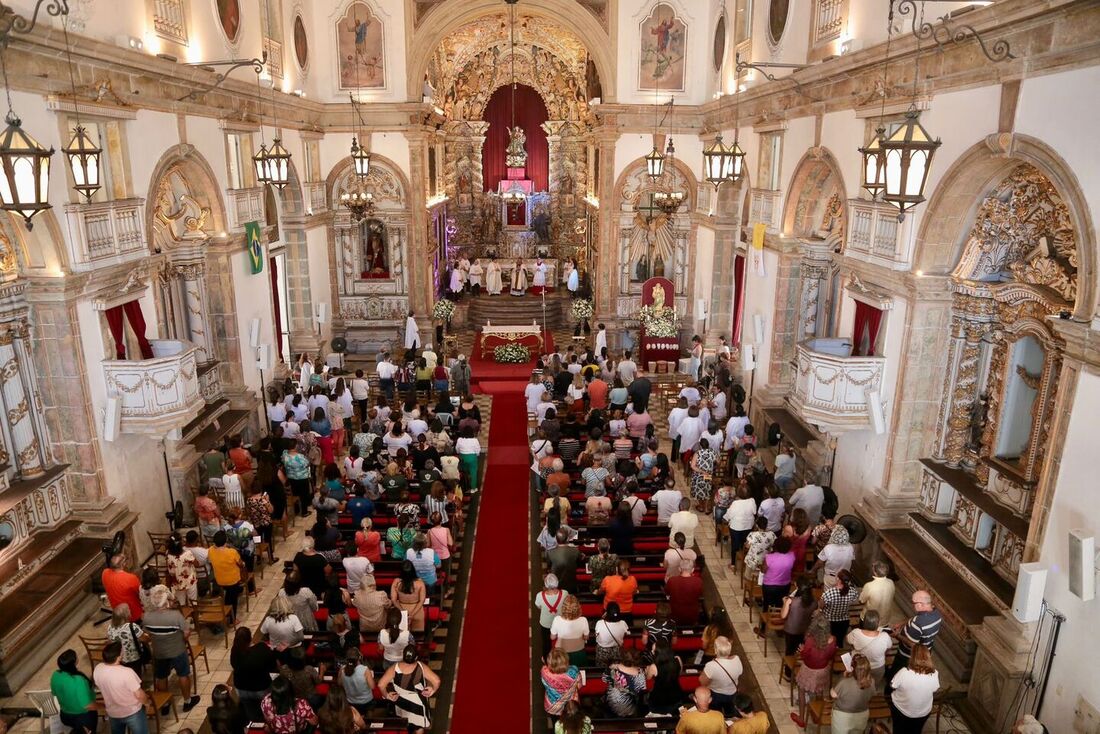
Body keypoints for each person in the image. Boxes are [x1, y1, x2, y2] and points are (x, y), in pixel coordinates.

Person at [144, 585, 200, 711]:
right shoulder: (175, 616)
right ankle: (187, 701)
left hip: (159, 652)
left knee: (162, 676)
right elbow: (186, 633)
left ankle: (165, 703)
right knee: (183, 675)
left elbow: (147, 633)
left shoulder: (147, 617)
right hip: (177, 650)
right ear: (166, 603)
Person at [379, 645, 440, 733]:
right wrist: (432, 690)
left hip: (401, 701)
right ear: (416, 657)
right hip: (418, 702)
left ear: (403, 655)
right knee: (419, 726)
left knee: (405, 724)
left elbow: (381, 684)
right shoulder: (421, 666)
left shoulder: (395, 668)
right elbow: (437, 681)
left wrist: (387, 695)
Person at [792, 612, 837, 728]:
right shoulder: (833, 640)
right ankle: (818, 715)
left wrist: (801, 650)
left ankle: (801, 718)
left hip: (809, 670)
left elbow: (805, 657)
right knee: (820, 690)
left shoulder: (810, 641)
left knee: (801, 690)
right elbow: (831, 655)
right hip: (823, 669)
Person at [887, 589, 943, 683]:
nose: (912, 605)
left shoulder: (917, 623)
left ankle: (891, 684)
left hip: (908, 654)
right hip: (927, 649)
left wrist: (897, 635)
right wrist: (902, 623)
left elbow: (911, 644)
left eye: (914, 603)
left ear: (921, 604)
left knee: (897, 669)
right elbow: (917, 617)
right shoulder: (936, 613)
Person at [94, 641, 150, 734]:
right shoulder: (127, 672)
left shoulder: (98, 669)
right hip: (133, 712)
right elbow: (139, 694)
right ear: (119, 657)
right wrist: (147, 703)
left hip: (113, 713)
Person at [230, 627, 277, 722]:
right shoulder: (261, 648)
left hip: (241, 688)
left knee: (250, 710)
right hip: (260, 687)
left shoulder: (234, 650)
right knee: (267, 710)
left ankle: (254, 724)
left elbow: (234, 665)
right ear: (250, 638)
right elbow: (273, 666)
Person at [890, 645, 940, 733]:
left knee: (899, 731)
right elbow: (935, 689)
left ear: (912, 657)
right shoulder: (934, 673)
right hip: (923, 713)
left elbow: (892, 686)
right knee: (916, 731)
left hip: (902, 711)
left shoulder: (904, 672)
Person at [50, 650, 98, 734]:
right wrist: (104, 706)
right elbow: (88, 706)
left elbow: (54, 693)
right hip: (82, 717)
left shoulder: (55, 675)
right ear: (74, 662)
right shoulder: (79, 680)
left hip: (65, 715)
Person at [847, 609, 892, 690]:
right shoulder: (885, 636)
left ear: (864, 622)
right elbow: (888, 649)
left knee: (858, 683)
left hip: (859, 665)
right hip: (878, 667)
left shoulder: (856, 632)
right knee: (873, 685)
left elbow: (848, 640)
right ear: (877, 623)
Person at [698, 637, 742, 715]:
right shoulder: (737, 659)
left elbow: (702, 682)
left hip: (716, 695)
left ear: (715, 650)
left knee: (716, 714)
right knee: (731, 714)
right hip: (732, 693)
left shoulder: (711, 666)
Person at [208, 531, 246, 619]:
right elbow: (240, 564)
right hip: (232, 580)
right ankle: (233, 620)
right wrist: (243, 564)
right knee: (233, 599)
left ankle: (227, 610)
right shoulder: (232, 552)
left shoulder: (210, 550)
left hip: (220, 579)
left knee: (229, 594)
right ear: (226, 541)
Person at [820, 569, 861, 645]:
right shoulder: (853, 591)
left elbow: (821, 606)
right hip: (844, 620)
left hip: (830, 620)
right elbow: (854, 600)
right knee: (839, 640)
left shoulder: (829, 593)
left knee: (829, 640)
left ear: (838, 579)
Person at [540, 648, 581, 717]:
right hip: (570, 705)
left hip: (552, 706)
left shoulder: (544, 671)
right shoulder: (574, 670)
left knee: (555, 721)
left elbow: (546, 665)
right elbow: (579, 685)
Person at [781, 576, 817, 656]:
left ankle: (788, 667)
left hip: (791, 630)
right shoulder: (814, 602)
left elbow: (783, 615)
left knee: (790, 651)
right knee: (800, 649)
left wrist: (784, 603)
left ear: (798, 587)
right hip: (805, 629)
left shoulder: (791, 601)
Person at [102, 555, 143, 623]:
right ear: (123, 564)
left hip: (117, 611)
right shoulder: (131, 578)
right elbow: (140, 594)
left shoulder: (104, 572)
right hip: (132, 613)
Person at [391, 561, 427, 633]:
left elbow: (393, 600)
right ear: (413, 570)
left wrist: (403, 612)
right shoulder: (420, 583)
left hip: (400, 609)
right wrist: (412, 614)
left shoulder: (396, 582)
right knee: (418, 634)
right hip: (417, 610)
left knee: (401, 634)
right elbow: (422, 600)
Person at [724, 484, 757, 559]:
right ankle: (743, 556)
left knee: (734, 544)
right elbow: (754, 512)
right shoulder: (752, 500)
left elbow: (729, 515)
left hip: (736, 527)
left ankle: (733, 563)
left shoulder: (736, 503)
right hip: (748, 526)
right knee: (744, 541)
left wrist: (725, 517)